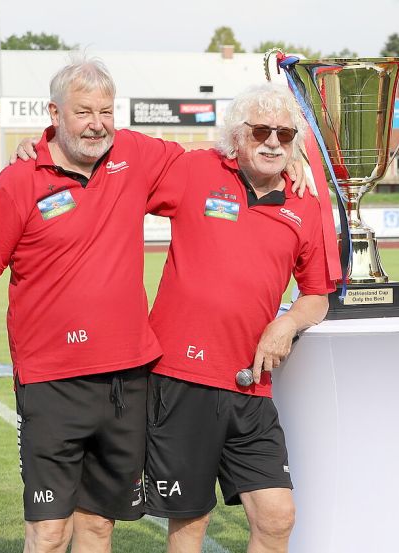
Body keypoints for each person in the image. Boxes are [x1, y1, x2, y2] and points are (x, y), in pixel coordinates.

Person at [0, 57, 185, 552]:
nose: (97, 123)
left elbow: (209, 167)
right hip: (51, 382)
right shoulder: (17, 182)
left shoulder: (134, 156)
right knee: (48, 531)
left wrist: (283, 153)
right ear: (54, 113)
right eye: (83, 112)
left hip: (128, 377)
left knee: (99, 526)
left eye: (106, 111)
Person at [142, 83, 334, 553]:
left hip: (251, 385)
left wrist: (286, 323)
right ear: (237, 135)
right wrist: (43, 143)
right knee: (189, 523)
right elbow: (115, 163)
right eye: (262, 131)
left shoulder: (306, 200)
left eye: (285, 135)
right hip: (182, 378)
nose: (273, 142)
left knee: (277, 517)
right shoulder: (195, 170)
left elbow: (317, 295)